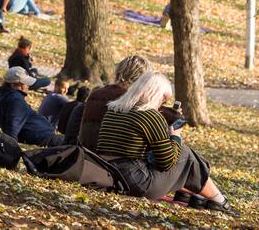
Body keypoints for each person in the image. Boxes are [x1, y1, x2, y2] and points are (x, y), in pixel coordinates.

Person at [97, 72, 231, 213]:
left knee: (186, 157)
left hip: (111, 177)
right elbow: (167, 162)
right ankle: (219, 201)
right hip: (137, 183)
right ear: (154, 93)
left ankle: (194, 195)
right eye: (163, 98)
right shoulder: (150, 116)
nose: (163, 102)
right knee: (186, 154)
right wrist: (175, 137)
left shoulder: (113, 110)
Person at [78, 54, 151, 151]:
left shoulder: (95, 94)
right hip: (111, 159)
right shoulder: (131, 99)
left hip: (86, 152)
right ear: (142, 79)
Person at [0, 67, 63, 146]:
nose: (28, 86)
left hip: (44, 135)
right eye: (25, 83)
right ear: (13, 85)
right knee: (72, 142)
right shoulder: (16, 100)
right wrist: (10, 150)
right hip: (45, 138)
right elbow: (11, 130)